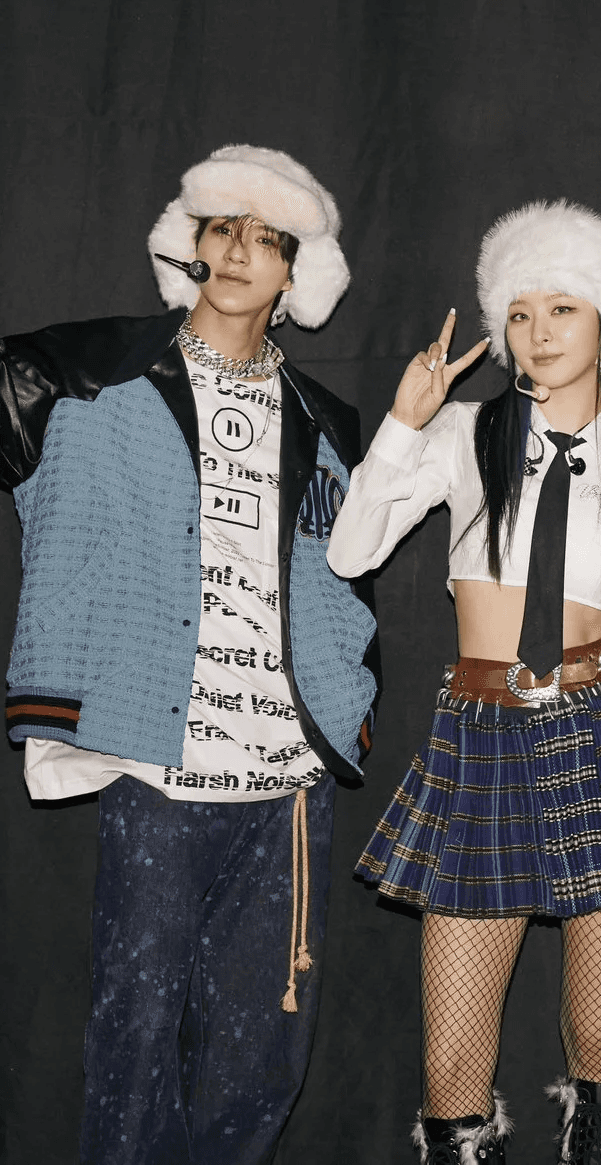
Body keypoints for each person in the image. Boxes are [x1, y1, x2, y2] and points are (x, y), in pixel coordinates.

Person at [1, 144, 379, 1164]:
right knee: (135, 1040)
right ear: (190, 244)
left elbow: (350, 578)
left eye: (269, 238)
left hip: (287, 782)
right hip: (158, 763)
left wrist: (347, 697)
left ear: (297, 270)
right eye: (224, 228)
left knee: (263, 1058)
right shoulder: (90, 375)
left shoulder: (327, 422)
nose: (242, 251)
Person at [328, 199, 601, 1165]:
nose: (539, 333)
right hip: (484, 728)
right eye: (521, 313)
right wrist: (404, 423)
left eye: (563, 309)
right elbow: (350, 551)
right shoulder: (466, 433)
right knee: (452, 1063)